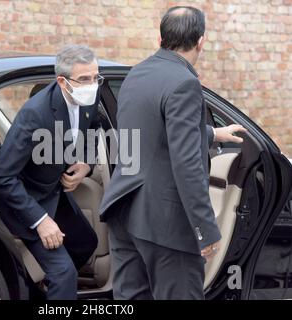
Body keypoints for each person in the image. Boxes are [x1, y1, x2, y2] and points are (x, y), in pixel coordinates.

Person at [99, 6, 247, 300]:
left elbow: (147, 133)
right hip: (165, 225)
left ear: (160, 38)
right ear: (201, 41)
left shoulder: (136, 74)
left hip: (124, 211)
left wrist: (211, 133)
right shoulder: (185, 83)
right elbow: (187, 163)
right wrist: (205, 229)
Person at [0, 44, 102, 300]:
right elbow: (2, 176)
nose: (92, 85)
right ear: (62, 81)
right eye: (84, 79)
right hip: (23, 201)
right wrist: (40, 221)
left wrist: (85, 163)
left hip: (53, 190)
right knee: (64, 273)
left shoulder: (91, 96)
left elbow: (94, 126)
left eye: (96, 77)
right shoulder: (35, 114)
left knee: (86, 243)